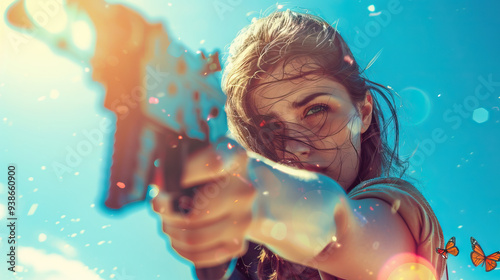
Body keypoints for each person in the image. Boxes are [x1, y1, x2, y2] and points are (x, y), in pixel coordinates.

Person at [151, 9, 446, 280]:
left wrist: (252, 189)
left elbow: (339, 230)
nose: (294, 147)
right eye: (271, 128)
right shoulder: (248, 255)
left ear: (364, 111)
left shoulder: (403, 214)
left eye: (316, 110)